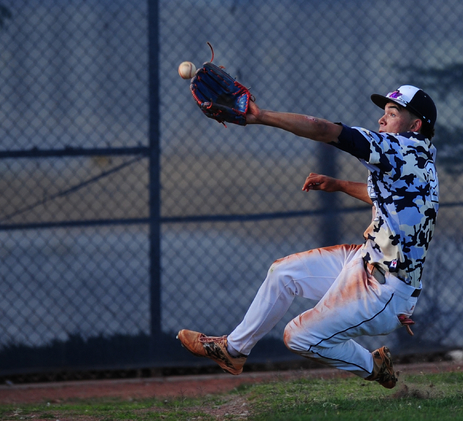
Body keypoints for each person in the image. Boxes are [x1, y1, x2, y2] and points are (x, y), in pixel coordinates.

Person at [177, 85, 439, 389]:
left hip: (385, 291)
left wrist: (260, 116)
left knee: (299, 337)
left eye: (392, 114)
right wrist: (339, 184)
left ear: (415, 125)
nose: (382, 119)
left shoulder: (398, 149)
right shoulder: (417, 160)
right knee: (282, 273)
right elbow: (392, 199)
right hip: (367, 260)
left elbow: (324, 130)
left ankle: (373, 365)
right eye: (384, 112)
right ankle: (233, 351)